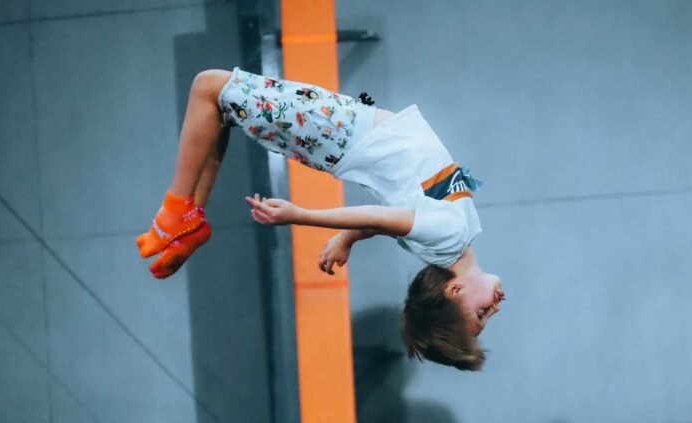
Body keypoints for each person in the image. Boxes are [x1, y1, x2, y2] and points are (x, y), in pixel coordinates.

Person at [136, 67, 505, 370]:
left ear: (454, 291)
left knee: (209, 86)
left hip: (342, 133)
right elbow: (387, 219)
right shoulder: (453, 242)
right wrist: (347, 239)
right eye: (487, 316)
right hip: (344, 137)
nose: (495, 307)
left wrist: (302, 215)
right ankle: (191, 220)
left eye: (482, 313)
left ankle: (177, 209)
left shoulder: (450, 236)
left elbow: (379, 217)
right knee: (222, 107)